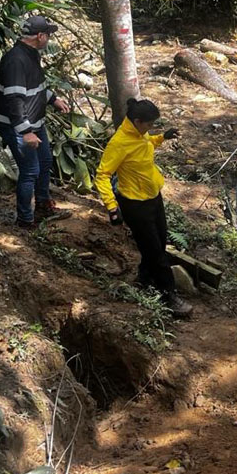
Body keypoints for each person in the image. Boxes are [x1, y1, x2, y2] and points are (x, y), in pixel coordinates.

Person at [95, 98, 191, 316]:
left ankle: (145, 278)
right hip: (135, 205)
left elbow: (146, 145)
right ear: (137, 121)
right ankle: (169, 296)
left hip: (153, 198)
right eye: (149, 124)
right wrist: (112, 207)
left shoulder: (140, 134)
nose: (151, 128)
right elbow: (102, 175)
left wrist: (162, 137)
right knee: (155, 251)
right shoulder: (119, 143)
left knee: (159, 242)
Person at [0, 16, 72, 228]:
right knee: (30, 171)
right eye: (48, 34)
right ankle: (25, 220)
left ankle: (43, 206)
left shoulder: (31, 54)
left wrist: (53, 99)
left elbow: (35, 87)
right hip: (19, 127)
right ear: (40, 36)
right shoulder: (16, 61)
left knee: (45, 162)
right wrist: (26, 132)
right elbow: (14, 99)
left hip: (35, 122)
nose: (49, 38)